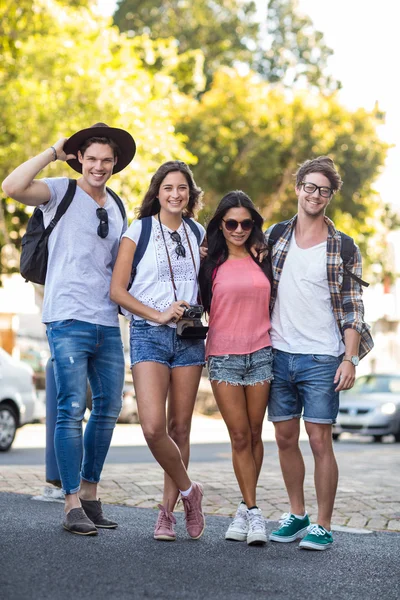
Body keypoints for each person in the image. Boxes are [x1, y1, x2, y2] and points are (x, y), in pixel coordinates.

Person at [2, 123, 136, 536]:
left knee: (109, 409)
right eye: (91, 158)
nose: (98, 166)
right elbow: (12, 186)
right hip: (66, 317)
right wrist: (52, 151)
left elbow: (121, 267)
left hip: (106, 320)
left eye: (105, 160)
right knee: (70, 409)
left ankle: (92, 496)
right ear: (81, 158)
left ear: (115, 164)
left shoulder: (116, 205)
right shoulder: (60, 190)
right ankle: (71, 502)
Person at [266, 156, 373, 551]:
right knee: (284, 436)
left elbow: (352, 306)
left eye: (323, 190)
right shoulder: (276, 235)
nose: (315, 195)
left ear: (330, 196)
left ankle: (323, 524)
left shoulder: (343, 246)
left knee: (319, 440)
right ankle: (297, 515)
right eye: (309, 187)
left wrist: (349, 357)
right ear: (297, 188)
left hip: (322, 356)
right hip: (277, 352)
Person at [110, 161, 206, 542]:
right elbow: (118, 290)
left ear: (190, 193)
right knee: (152, 427)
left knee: (179, 428)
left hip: (189, 338)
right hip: (149, 334)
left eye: (182, 188)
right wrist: (159, 313)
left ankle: (166, 515)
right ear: (157, 191)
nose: (175, 194)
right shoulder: (140, 230)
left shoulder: (198, 232)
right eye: (168, 188)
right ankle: (190, 491)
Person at [199, 190, 273, 546]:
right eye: (231, 223)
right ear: (221, 224)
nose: (239, 229)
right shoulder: (209, 263)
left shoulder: (264, 259)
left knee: (256, 434)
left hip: (261, 352)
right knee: (240, 435)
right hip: (224, 356)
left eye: (246, 223)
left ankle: (246, 509)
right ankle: (256, 512)